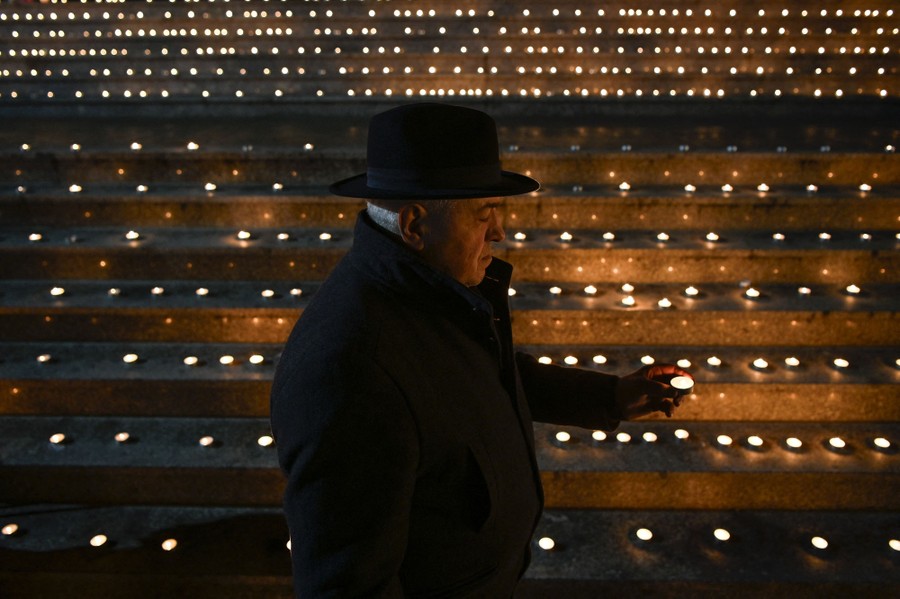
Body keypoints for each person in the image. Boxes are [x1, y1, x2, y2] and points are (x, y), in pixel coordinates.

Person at [270, 103, 693, 598]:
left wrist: (611, 398)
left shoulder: (429, 290)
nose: (500, 232)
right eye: (484, 213)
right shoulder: (352, 371)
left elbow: (480, 376)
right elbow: (348, 586)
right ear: (414, 224)